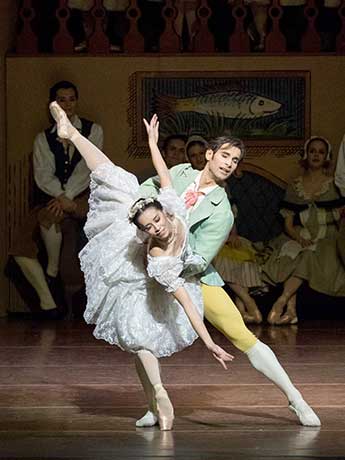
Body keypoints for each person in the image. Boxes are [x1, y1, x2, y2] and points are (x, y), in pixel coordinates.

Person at [49, 103, 233, 430]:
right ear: (144, 230)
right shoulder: (159, 239)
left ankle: (158, 395)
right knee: (116, 178)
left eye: (158, 221)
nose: (158, 228)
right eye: (150, 226)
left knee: (140, 340)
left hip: (158, 278)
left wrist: (208, 342)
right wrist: (152, 143)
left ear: (164, 213)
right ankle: (156, 398)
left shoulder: (169, 226)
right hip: (135, 265)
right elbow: (162, 178)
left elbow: (187, 304)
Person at [139, 132, 321, 427]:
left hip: (191, 277)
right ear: (209, 154)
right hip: (154, 266)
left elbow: (200, 260)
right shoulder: (180, 173)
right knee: (142, 339)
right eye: (225, 155)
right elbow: (145, 193)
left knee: (243, 336)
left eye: (235, 161)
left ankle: (295, 399)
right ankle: (153, 405)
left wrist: (169, 260)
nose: (229, 163)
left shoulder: (222, 210)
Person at [8, 80, 103, 318]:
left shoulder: (93, 130)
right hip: (53, 199)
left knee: (61, 215)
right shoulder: (43, 138)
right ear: (53, 104)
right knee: (45, 218)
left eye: (71, 99)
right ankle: (51, 274)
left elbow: (88, 167)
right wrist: (61, 198)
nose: (68, 104)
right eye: (62, 99)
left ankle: (54, 276)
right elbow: (43, 174)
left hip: (82, 196)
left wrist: (69, 197)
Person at [263, 136, 345, 325]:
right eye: (313, 151)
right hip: (300, 233)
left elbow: (341, 220)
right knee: (293, 253)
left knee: (310, 254)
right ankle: (291, 311)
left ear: (327, 157)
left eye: (321, 152)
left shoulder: (335, 185)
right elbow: (288, 224)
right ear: (306, 155)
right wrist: (299, 238)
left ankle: (282, 302)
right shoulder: (295, 185)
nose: (316, 155)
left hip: (328, 235)